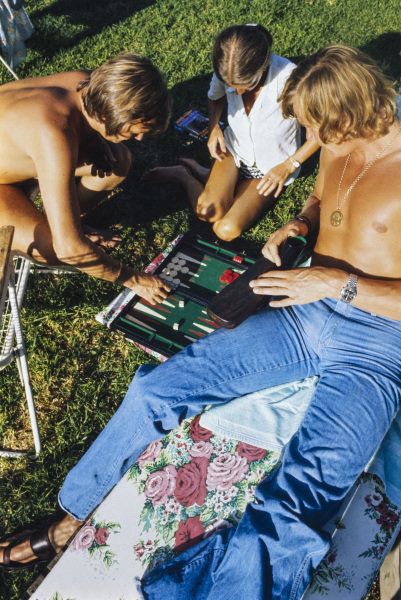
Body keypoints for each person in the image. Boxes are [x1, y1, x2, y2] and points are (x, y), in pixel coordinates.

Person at [1, 44, 401, 600]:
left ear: (355, 112)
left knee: (299, 496)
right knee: (158, 390)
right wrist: (303, 224)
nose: (317, 143)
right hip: (304, 308)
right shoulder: (337, 139)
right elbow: (318, 195)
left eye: (320, 130)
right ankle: (73, 518)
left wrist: (340, 284)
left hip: (379, 339)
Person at [0, 53, 172, 304]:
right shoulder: (53, 132)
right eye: (135, 131)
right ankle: (65, 227)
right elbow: (70, 251)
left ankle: (67, 221)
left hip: (17, 156)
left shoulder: (88, 83)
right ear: (112, 117)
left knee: (117, 161)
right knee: (54, 248)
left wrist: (94, 141)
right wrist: (132, 279)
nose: (139, 140)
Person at [143, 24, 319, 241]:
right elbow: (214, 97)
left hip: (271, 169)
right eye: (230, 85)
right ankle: (184, 175)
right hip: (234, 151)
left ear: (263, 65)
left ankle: (203, 174)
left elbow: (318, 134)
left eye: (245, 85)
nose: (236, 92)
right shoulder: (226, 70)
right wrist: (215, 127)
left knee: (226, 229)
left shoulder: (292, 80)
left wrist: (287, 166)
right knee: (207, 212)